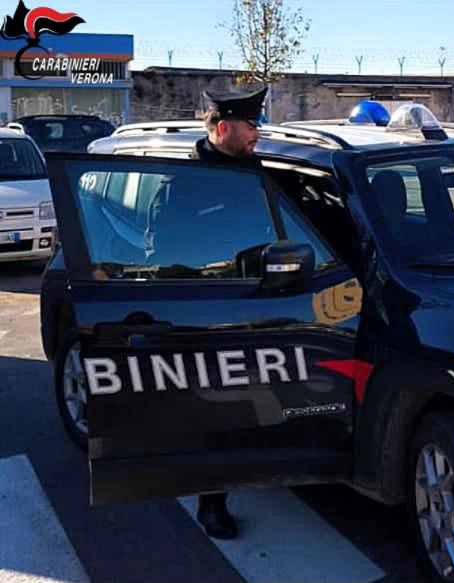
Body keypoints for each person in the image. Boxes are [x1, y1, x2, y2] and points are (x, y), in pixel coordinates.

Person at [190, 85, 268, 540]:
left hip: (261, 303)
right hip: (212, 311)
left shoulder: (255, 170)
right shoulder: (183, 180)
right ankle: (211, 502)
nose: (258, 133)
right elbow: (164, 250)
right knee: (216, 411)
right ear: (223, 128)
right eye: (252, 125)